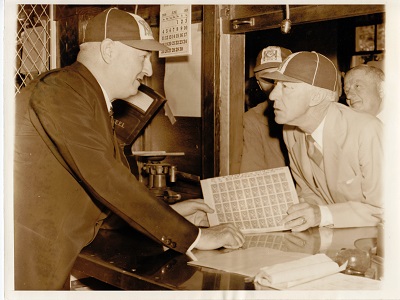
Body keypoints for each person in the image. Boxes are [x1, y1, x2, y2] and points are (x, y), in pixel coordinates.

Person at [14, 8, 244, 290]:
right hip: (28, 257)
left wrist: (172, 214)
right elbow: (108, 180)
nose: (148, 70)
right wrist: (196, 237)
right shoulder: (61, 91)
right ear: (109, 50)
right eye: (143, 57)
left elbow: (105, 193)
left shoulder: (85, 95)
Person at [261, 51, 383, 232]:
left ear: (316, 97)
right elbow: (308, 191)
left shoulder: (367, 130)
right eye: (276, 85)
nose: (272, 96)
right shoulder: (291, 131)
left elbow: (384, 210)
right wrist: (305, 210)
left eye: (286, 87)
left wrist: (322, 214)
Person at [240, 46, 291, 173]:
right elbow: (252, 172)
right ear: (258, 83)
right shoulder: (253, 119)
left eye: (279, 76)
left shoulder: (309, 111)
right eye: (267, 79)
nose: (275, 84)